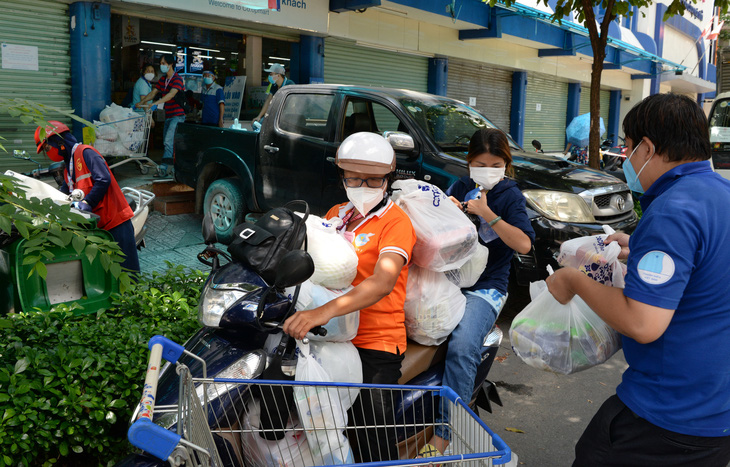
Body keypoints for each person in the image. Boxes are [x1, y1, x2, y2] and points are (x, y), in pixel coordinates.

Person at [546, 93, 730, 466]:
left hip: (667, 416)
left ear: (647, 148)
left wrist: (573, 280)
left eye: (628, 148)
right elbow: (706, 265)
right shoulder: (720, 195)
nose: (626, 158)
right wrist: (641, 248)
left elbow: (643, 322)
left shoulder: (673, 210)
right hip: (716, 411)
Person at [283, 132, 416, 462]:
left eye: (373, 181)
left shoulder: (396, 223)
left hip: (375, 340)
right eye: (354, 179)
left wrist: (322, 312)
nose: (362, 187)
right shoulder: (336, 215)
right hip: (332, 336)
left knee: (369, 435)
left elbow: (383, 281)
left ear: (388, 180)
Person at [421, 128, 535, 458]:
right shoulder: (459, 186)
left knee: (461, 346)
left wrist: (488, 214)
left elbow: (524, 244)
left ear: (505, 165)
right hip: (449, 281)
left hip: (486, 289)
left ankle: (446, 434)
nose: (488, 169)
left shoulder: (510, 196)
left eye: (495, 163)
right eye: (480, 163)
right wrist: (448, 209)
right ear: (469, 163)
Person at [34, 121, 138, 274]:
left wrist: (88, 201)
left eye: (48, 148)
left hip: (116, 221)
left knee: (126, 271)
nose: (48, 153)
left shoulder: (86, 153)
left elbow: (103, 179)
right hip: (99, 225)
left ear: (59, 142)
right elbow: (65, 192)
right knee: (110, 274)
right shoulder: (67, 166)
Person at [136, 53, 185, 178]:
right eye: (161, 64)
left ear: (170, 64)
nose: (162, 66)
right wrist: (141, 102)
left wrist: (156, 104)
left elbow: (171, 95)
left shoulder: (177, 79)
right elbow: (153, 92)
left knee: (168, 141)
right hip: (169, 115)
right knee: (167, 142)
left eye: (163, 64)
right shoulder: (163, 80)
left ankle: (164, 168)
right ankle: (175, 167)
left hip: (178, 116)